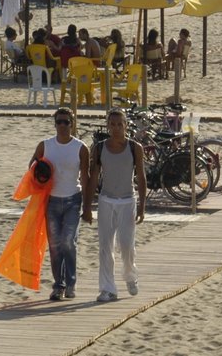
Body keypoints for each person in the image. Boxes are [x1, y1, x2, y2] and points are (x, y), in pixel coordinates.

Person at [85, 108, 146, 303]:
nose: (116, 128)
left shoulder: (134, 147)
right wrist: (87, 207)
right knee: (105, 246)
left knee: (127, 245)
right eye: (112, 124)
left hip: (128, 200)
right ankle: (107, 289)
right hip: (106, 200)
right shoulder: (100, 147)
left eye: (120, 124)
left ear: (126, 126)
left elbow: (141, 177)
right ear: (108, 125)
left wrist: (143, 207)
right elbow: (93, 177)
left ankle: (130, 276)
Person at [30, 107, 90, 300]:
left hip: (73, 199)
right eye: (59, 122)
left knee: (68, 241)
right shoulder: (45, 145)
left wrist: (88, 207)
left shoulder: (80, 148)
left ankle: (71, 283)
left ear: (73, 124)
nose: (63, 126)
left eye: (66, 122)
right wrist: (40, 172)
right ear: (55, 124)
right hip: (52, 201)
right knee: (55, 245)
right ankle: (59, 285)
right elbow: (32, 167)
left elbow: (87, 178)